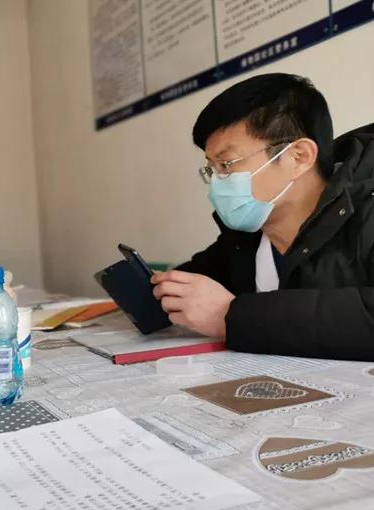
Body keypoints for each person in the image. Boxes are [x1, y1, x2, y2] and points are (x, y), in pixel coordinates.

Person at [151, 73, 374, 359]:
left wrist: (230, 316)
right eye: (212, 169)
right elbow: (184, 286)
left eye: (226, 164)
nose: (217, 182)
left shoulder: (366, 215)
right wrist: (148, 290)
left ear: (298, 157)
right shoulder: (245, 239)